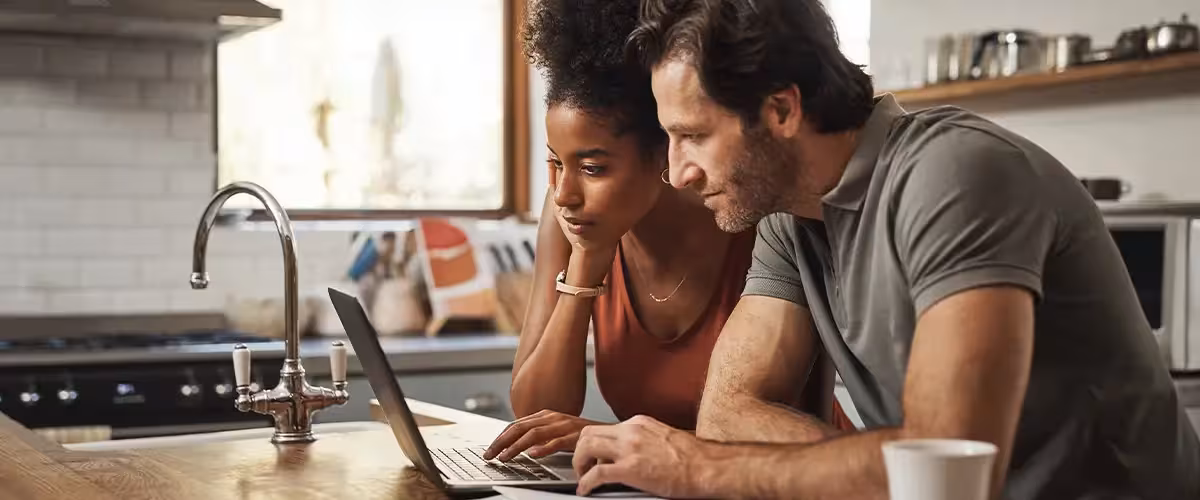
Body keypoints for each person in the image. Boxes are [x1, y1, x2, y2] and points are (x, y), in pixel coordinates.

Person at [567, 0, 1200, 498]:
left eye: (693, 136)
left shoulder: (956, 174)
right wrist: (879, 470)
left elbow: (948, 467)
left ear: (782, 108)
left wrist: (699, 469)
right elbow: (729, 412)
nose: (677, 173)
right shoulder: (789, 217)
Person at [481, 0, 854, 463]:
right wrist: (587, 265)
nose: (563, 194)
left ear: (663, 151)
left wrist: (613, 438)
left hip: (795, 477)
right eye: (555, 163)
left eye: (593, 167)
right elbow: (535, 416)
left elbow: (791, 419)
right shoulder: (571, 219)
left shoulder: (750, 211)